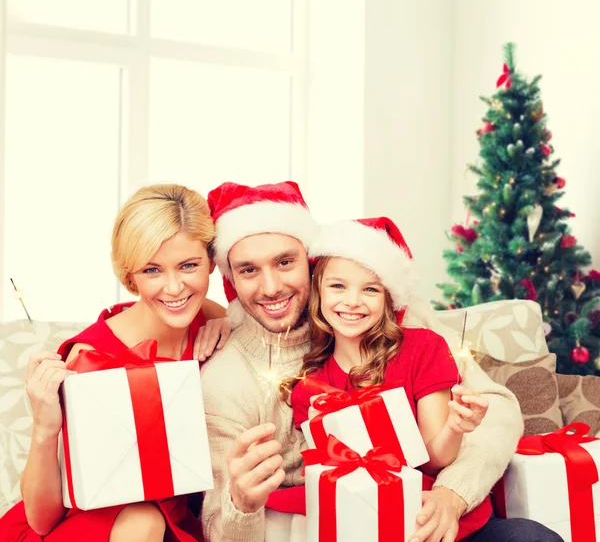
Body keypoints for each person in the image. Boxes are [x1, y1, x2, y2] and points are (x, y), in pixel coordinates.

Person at [199, 180, 563, 542]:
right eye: (248, 270)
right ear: (231, 278)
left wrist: (453, 495)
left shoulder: (399, 323)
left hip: (435, 514)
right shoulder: (226, 378)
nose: (271, 287)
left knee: (528, 537)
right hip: (338, 525)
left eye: (285, 262)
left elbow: (497, 410)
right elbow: (218, 526)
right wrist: (242, 503)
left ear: (312, 264)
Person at [0, 184, 230, 542]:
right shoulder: (90, 358)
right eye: (152, 270)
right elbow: (42, 520)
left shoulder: (208, 317)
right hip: (92, 529)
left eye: (188, 265)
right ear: (130, 275)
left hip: (175, 522)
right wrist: (44, 429)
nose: (174, 288)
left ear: (212, 262)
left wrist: (233, 325)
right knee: (143, 519)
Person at [286, 217, 490, 540]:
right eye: (338, 286)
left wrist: (455, 428)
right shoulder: (309, 390)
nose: (352, 301)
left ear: (387, 299)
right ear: (317, 293)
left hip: (434, 517)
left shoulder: (423, 349)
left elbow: (434, 460)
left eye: (370, 289)